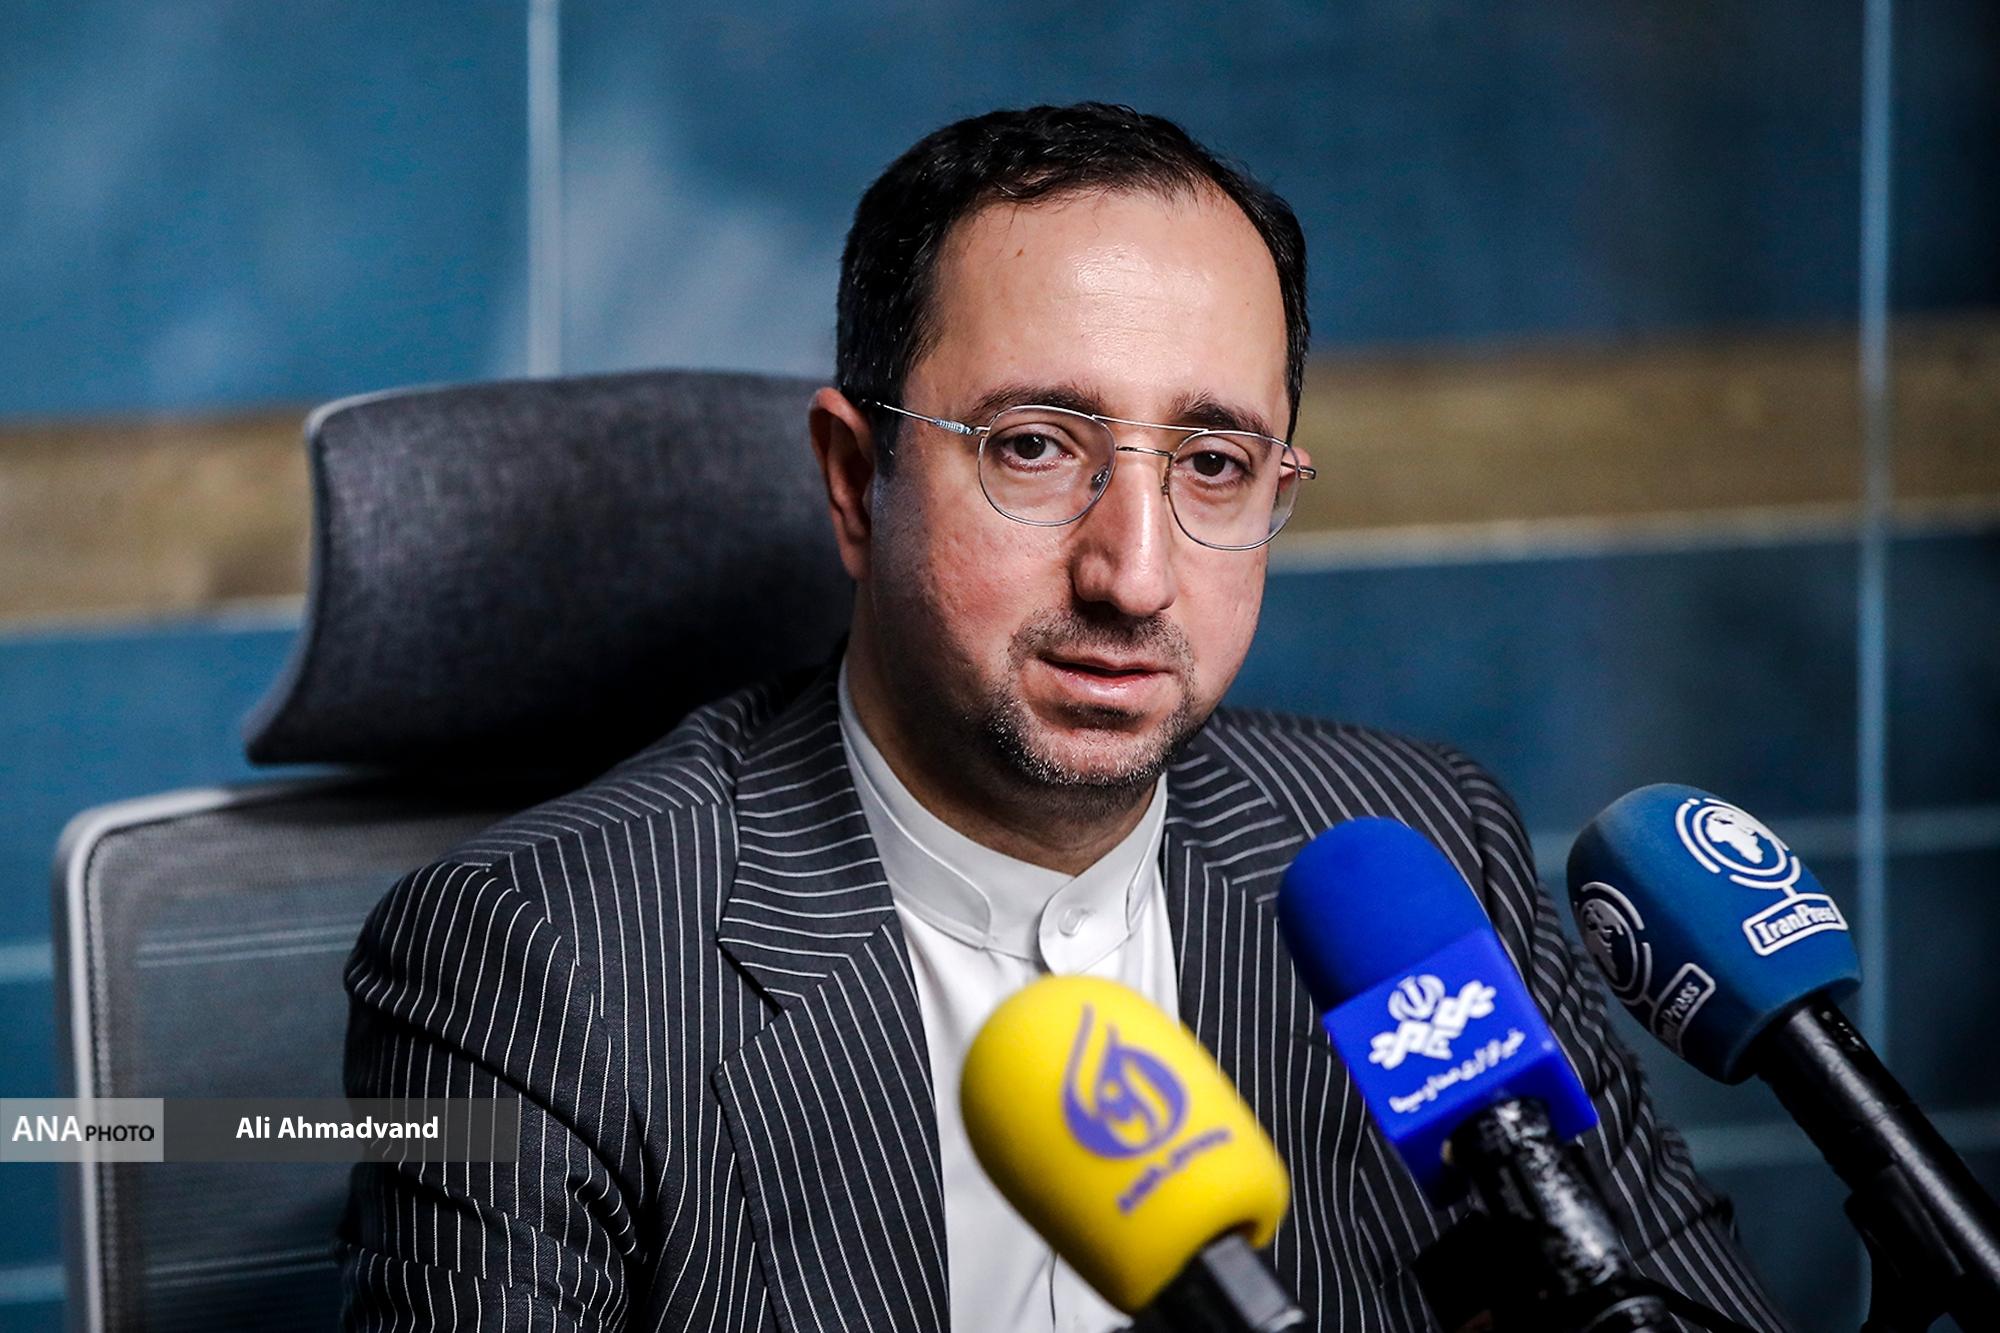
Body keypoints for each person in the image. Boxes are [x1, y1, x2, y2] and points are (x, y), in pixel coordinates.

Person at [339, 103, 1789, 1332]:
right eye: (1036, 448)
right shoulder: (543, 956)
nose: (1134, 575)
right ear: (853, 482)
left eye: (1213, 464)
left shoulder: (1413, 855)